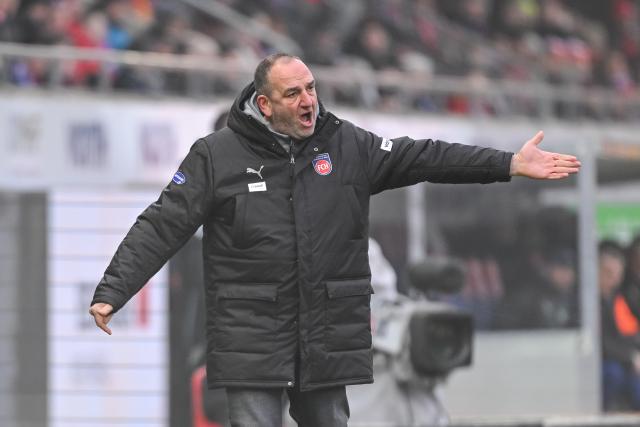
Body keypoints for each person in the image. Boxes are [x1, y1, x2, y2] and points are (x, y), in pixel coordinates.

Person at [89, 53, 580, 427]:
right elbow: (163, 222)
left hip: (324, 336)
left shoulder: (347, 145)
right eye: (293, 94)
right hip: (253, 339)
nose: (308, 101)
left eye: (311, 88)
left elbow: (428, 157)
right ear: (264, 104)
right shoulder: (216, 156)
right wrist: (114, 290)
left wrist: (508, 164)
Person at [598, 240, 640, 410]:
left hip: (625, 359)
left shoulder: (620, 299)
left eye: (617, 274)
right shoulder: (588, 303)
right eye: (608, 273)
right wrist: (630, 357)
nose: (614, 279)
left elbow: (631, 332)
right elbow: (601, 342)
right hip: (607, 362)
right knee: (613, 374)